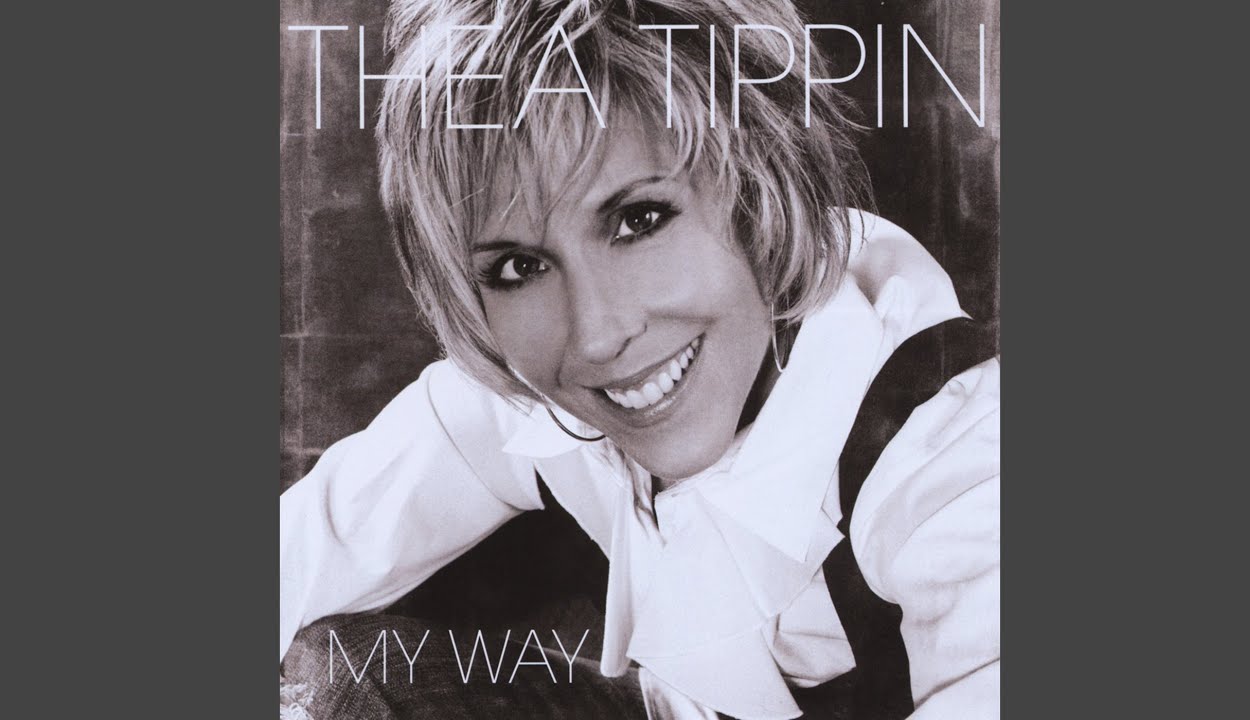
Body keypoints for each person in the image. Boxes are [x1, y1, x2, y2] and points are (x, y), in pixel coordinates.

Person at [280, 1, 999, 718]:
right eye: (520, 267)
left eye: (639, 220)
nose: (596, 337)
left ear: (764, 187)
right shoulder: (532, 391)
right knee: (338, 681)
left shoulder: (956, 455)